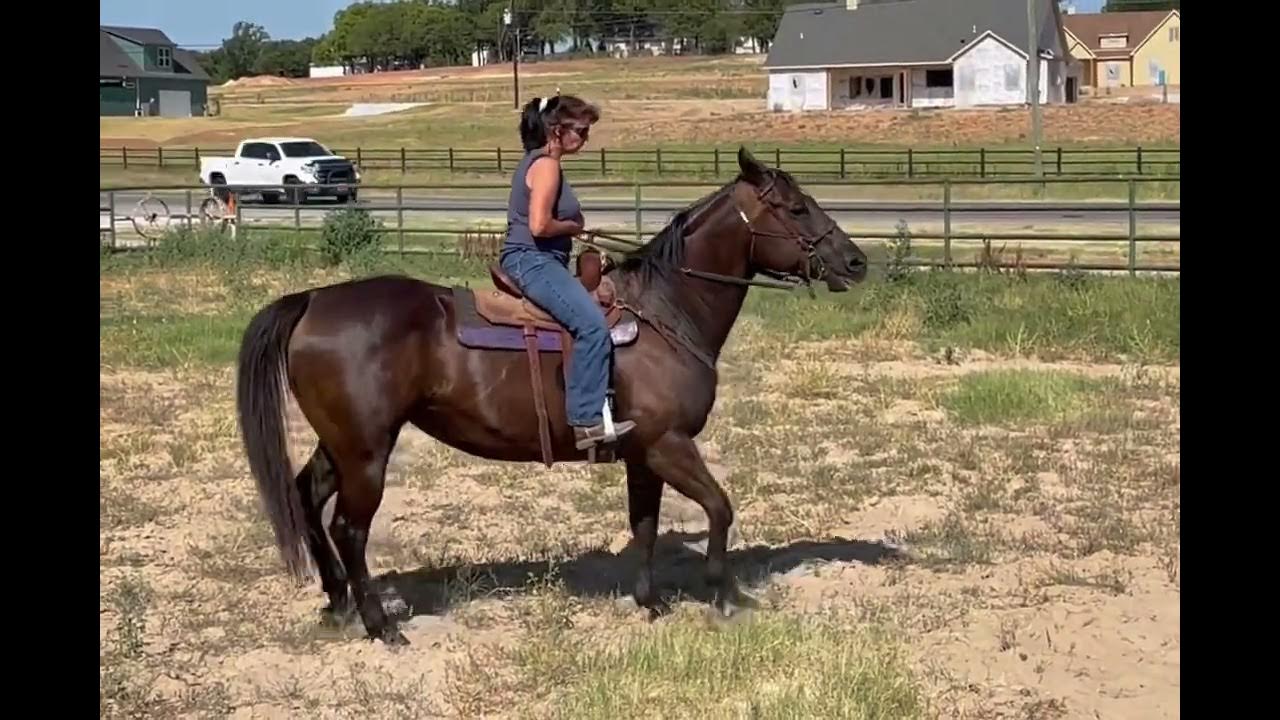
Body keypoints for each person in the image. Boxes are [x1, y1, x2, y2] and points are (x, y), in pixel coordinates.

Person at [499, 95, 636, 450]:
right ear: (557, 131)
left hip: (541, 259)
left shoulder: (542, 163)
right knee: (591, 326)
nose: (586, 139)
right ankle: (586, 421)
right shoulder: (546, 166)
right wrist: (573, 227)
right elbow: (541, 225)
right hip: (532, 259)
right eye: (582, 131)